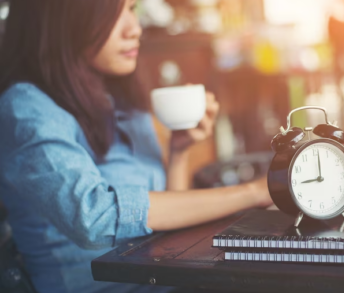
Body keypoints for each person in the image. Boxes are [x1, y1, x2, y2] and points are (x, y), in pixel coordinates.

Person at [0, 0, 273, 292]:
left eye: (132, 9)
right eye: (113, 14)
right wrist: (253, 192)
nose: (135, 29)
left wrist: (178, 152)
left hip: (162, 281)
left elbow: (166, 234)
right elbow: (95, 218)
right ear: (61, 21)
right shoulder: (26, 107)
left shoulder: (118, 94)